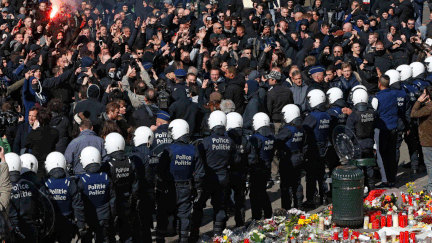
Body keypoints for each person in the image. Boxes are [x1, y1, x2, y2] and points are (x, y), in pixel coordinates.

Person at [156, 119, 204, 243]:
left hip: (169, 188)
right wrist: (198, 189)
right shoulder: (193, 149)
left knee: (163, 214)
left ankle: (160, 239)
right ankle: (183, 239)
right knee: (184, 216)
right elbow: (200, 173)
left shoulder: (169, 149)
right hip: (186, 187)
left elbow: (160, 170)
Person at [191, 111, 235, 241]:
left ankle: (194, 234)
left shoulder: (206, 141)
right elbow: (236, 160)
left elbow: (198, 160)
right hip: (223, 178)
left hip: (207, 179)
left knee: (199, 206)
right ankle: (218, 234)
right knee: (220, 207)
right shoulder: (229, 141)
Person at [42, 151, 87, 243]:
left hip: (50, 223)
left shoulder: (44, 183)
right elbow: (78, 207)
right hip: (67, 223)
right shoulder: (70, 183)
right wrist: (81, 225)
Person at [101, 132, 138, 243]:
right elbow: (135, 185)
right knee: (126, 232)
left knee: (110, 233)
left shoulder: (107, 165)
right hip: (127, 201)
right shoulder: (130, 162)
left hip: (112, 204)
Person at [77, 146, 115, 243]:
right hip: (104, 216)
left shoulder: (82, 179)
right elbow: (112, 198)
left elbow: (78, 202)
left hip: (88, 217)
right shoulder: (105, 177)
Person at [225, 112, 256, 227]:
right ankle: (240, 224)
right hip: (241, 173)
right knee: (240, 201)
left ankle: (222, 227)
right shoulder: (246, 140)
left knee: (224, 200)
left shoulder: (226, 139)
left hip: (228, 173)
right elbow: (252, 158)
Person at [302, 89, 331, 208]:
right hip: (324, 147)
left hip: (313, 149)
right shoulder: (327, 115)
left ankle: (311, 199)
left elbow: (304, 130)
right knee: (322, 174)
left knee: (311, 176)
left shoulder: (312, 116)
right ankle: (324, 196)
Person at [5, 152, 42, 242]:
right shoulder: (30, 185)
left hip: (11, 230)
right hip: (31, 229)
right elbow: (40, 206)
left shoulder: (3, 188)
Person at [346, 89, 376, 192]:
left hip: (357, 145)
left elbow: (348, 133)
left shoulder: (353, 116)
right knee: (369, 167)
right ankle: (371, 188)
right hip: (369, 143)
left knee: (358, 169)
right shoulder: (372, 112)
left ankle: (360, 190)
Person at [275, 104, 304, 210]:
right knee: (297, 183)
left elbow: (277, 140)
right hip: (298, 156)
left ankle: (286, 208)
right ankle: (299, 206)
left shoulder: (287, 129)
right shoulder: (300, 129)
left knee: (286, 186)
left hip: (288, 159)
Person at [129, 126, 154, 242]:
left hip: (139, 193)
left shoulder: (136, 155)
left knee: (137, 224)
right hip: (151, 192)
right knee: (146, 224)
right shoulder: (155, 153)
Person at [248, 112, 275, 220]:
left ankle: (256, 217)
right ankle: (268, 214)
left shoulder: (255, 138)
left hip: (257, 169)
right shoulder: (271, 137)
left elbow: (251, 155)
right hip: (267, 167)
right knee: (262, 192)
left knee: (254, 194)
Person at [376, 75, 398, 187]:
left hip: (383, 128)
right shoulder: (394, 93)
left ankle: (386, 181)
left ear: (379, 83)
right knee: (392, 154)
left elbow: (376, 113)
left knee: (383, 156)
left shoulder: (377, 97)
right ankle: (392, 178)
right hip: (394, 126)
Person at [24, 107, 59, 180]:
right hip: (50, 164)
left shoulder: (35, 133)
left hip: (38, 165)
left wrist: (33, 129)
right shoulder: (55, 132)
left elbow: (26, 144)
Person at [411, 87, 432, 193]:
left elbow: (413, 113)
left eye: (424, 94)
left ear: (427, 96)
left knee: (429, 164)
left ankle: (431, 187)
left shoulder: (428, 108)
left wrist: (418, 101)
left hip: (428, 141)